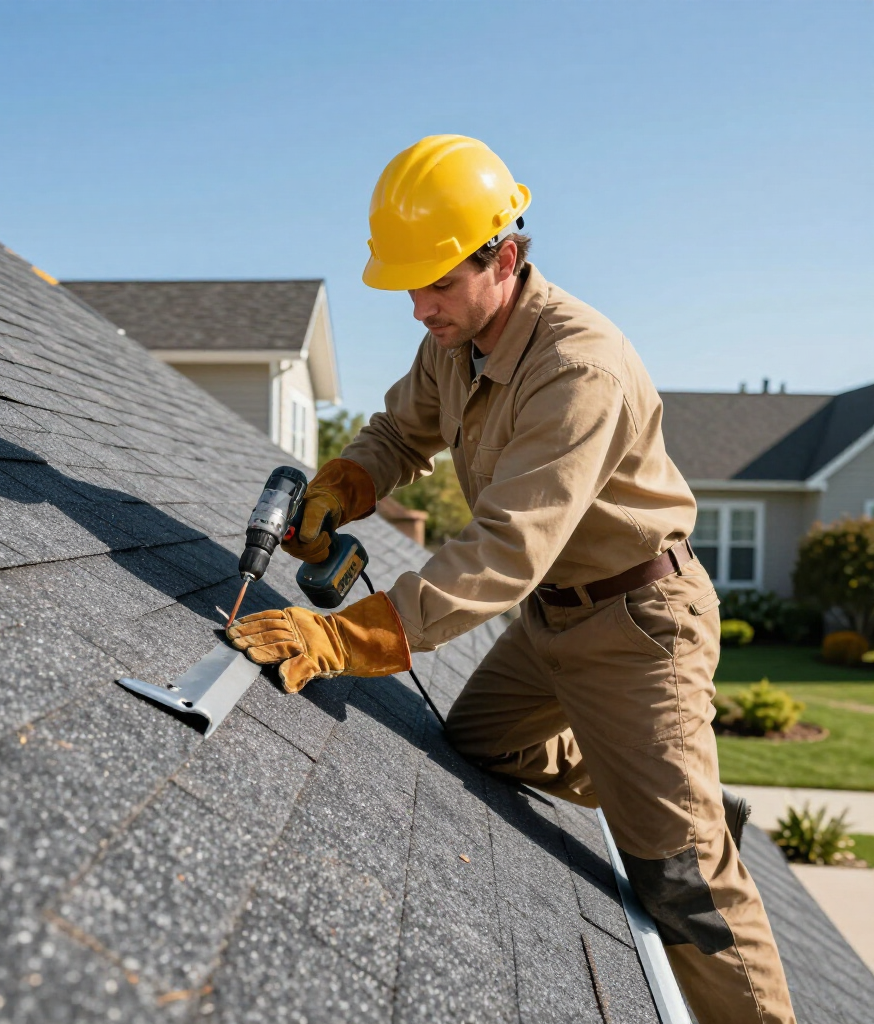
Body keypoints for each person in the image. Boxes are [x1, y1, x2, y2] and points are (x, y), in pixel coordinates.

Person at [227, 135, 795, 1023]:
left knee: (682, 882)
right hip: (553, 620)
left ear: (504, 257)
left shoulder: (578, 366)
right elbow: (400, 432)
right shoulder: (454, 342)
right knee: (481, 740)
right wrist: (344, 485)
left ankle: (683, 824)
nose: (420, 307)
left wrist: (348, 638)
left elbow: (505, 550)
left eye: (437, 283)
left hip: (639, 623)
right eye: (409, 287)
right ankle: (673, 795)